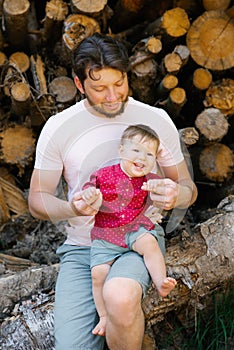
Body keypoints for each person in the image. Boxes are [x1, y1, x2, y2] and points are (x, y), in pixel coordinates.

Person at [28, 32, 197, 350]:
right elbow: (37, 199)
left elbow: (188, 188)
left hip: (137, 240)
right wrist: (73, 208)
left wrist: (177, 195)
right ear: (79, 85)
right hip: (82, 250)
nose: (112, 96)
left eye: (119, 83)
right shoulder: (59, 127)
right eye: (99, 87)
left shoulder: (154, 120)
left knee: (119, 297)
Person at [81, 124, 177, 336]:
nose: (142, 158)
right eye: (136, 151)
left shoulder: (149, 180)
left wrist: (162, 188)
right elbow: (88, 189)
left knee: (149, 243)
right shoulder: (103, 175)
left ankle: (161, 281)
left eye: (149, 154)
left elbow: (166, 187)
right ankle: (104, 317)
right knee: (98, 274)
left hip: (134, 228)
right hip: (105, 234)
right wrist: (89, 195)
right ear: (121, 151)